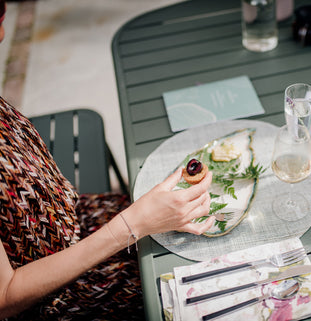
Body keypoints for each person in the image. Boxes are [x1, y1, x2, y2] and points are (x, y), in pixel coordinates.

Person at [0, 1, 215, 319]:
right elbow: (6, 297)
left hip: (80, 220)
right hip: (62, 296)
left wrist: (138, 219)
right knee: (203, 283)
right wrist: (133, 224)